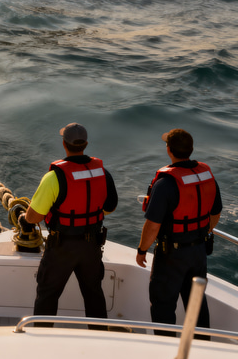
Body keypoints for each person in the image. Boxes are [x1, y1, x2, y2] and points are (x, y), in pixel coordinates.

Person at [21, 123, 118, 327]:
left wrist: (25, 218)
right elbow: (110, 206)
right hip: (92, 245)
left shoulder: (54, 177)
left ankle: (42, 337)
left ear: (64, 144)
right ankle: (101, 337)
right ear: (86, 144)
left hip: (61, 247)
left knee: (47, 294)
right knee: (93, 294)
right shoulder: (102, 173)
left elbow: (34, 216)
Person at [136, 129, 222, 334]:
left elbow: (153, 225)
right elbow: (215, 213)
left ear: (169, 150)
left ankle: (166, 352)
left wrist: (141, 250)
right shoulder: (206, 176)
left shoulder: (165, 183)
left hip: (171, 255)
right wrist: (200, 232)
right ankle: (203, 351)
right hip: (199, 251)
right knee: (197, 304)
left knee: (163, 306)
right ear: (190, 150)